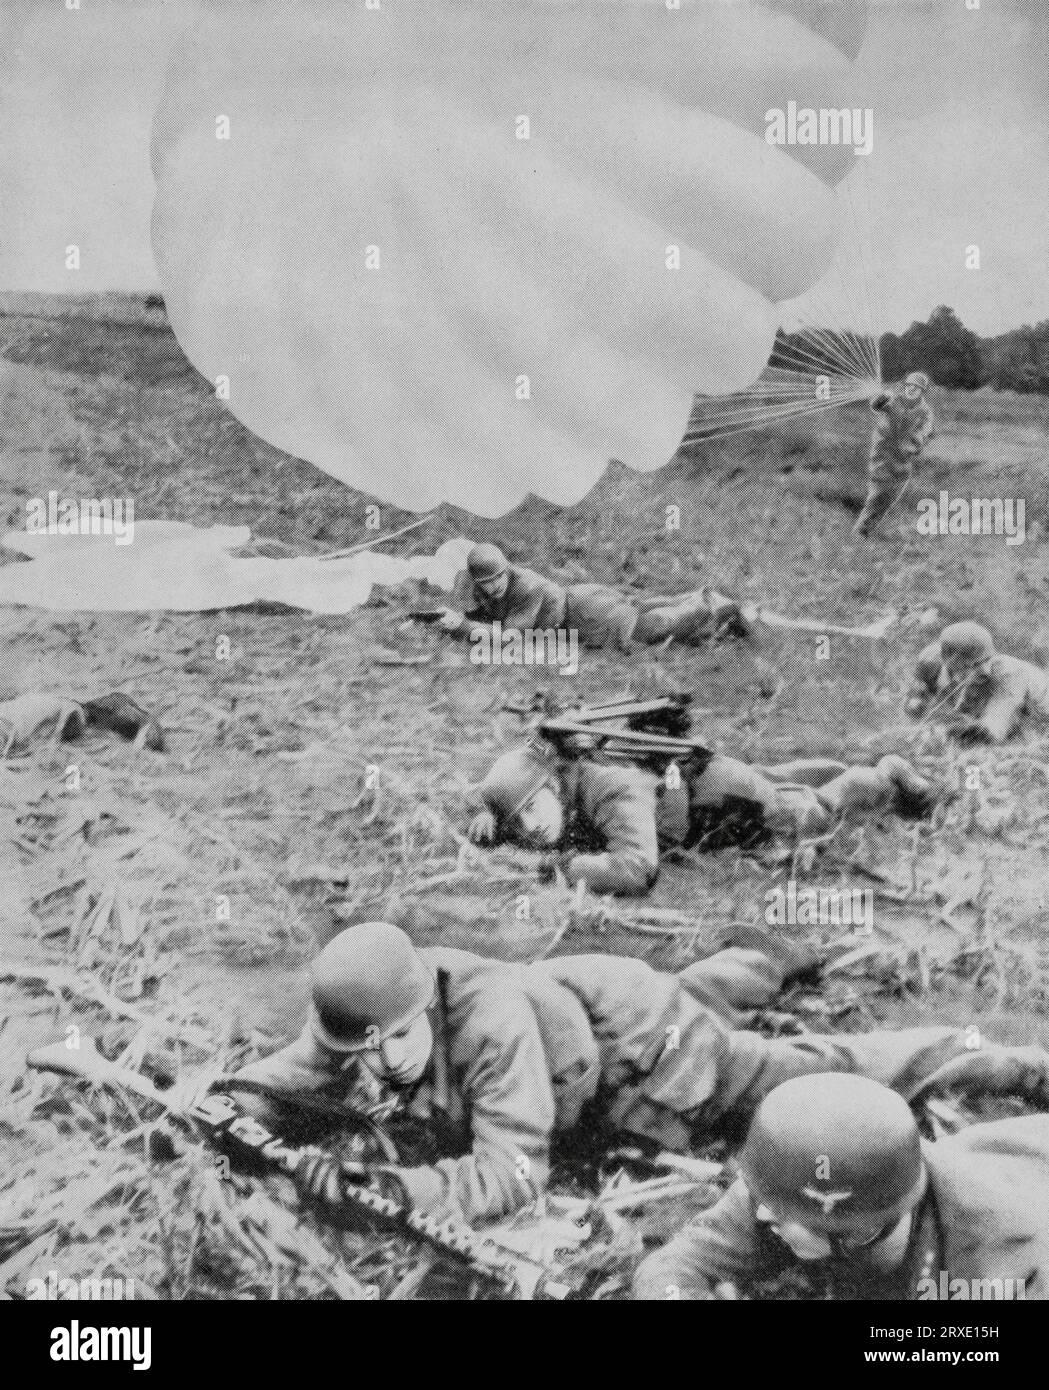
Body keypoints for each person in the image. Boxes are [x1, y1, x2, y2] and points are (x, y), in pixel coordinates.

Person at [229, 924, 1049, 1228]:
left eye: (394, 1044)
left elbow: (511, 1174)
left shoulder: (487, 1020)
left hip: (654, 1060)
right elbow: (300, 1068)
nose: (377, 1067)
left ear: (426, 1008)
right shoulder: (370, 999)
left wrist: (391, 1191)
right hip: (587, 1007)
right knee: (707, 988)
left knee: (812, 1073)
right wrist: (237, 1104)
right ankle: (760, 955)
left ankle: (1011, 1059)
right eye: (362, 1051)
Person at [633, 1073, 1049, 1300]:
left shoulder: (1002, 1265)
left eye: (777, 1213)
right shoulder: (786, 1187)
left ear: (860, 1231)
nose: (759, 1214)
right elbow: (672, 1268)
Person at [467, 739, 939, 896]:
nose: (530, 827)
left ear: (554, 783)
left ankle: (885, 775)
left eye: (533, 807)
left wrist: (560, 868)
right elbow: (517, 791)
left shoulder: (611, 790)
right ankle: (832, 770)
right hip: (688, 786)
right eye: (519, 818)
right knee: (775, 781)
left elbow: (636, 871)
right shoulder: (555, 778)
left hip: (720, 804)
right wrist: (492, 815)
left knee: (813, 814)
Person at [433, 542, 749, 649]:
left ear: (507, 570)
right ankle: (697, 597)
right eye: (486, 582)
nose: (492, 587)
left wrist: (462, 627)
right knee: (637, 609)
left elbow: (508, 637)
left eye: (497, 578)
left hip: (587, 613)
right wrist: (451, 620)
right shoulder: (490, 587)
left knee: (648, 629)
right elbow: (492, 616)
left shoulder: (527, 586)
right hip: (581, 600)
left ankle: (716, 607)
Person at [907, 622, 1049, 743]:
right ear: (948, 662)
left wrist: (941, 733)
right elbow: (914, 701)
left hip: (1037, 722)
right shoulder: (930, 660)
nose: (986, 670)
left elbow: (992, 731)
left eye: (988, 659)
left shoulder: (1011, 675)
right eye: (973, 665)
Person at [853, 372, 934, 539]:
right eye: (909, 385)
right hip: (882, 458)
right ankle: (858, 534)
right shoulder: (892, 400)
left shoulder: (925, 412)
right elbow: (876, 405)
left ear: (922, 391)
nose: (912, 389)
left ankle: (864, 533)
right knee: (875, 498)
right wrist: (881, 397)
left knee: (886, 502)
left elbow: (926, 431)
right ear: (904, 386)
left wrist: (916, 443)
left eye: (917, 388)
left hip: (902, 466)